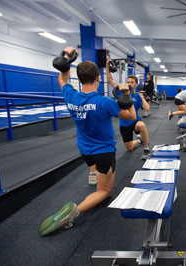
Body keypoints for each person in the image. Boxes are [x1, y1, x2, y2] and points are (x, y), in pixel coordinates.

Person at [40, 47, 137, 236]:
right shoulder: (104, 102)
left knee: (93, 166)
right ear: (98, 79)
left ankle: (93, 173)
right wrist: (126, 93)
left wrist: (66, 59)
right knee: (104, 192)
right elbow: (131, 115)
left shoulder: (71, 96)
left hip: (84, 150)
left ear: (80, 78)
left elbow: (62, 78)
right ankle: (75, 212)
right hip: (104, 153)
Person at [106, 59, 151, 160]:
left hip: (135, 121)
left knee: (142, 125)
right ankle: (140, 140)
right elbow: (110, 80)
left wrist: (142, 97)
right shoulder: (120, 93)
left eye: (132, 82)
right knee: (130, 148)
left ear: (136, 84)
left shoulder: (137, 96)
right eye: (128, 81)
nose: (129, 83)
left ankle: (146, 149)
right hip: (124, 124)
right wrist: (107, 66)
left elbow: (147, 108)